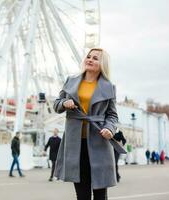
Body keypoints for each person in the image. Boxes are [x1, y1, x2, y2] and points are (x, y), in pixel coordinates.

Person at [53, 48, 118, 200]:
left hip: (99, 142)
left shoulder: (109, 87)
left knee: (101, 194)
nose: (90, 59)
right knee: (82, 194)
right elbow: (56, 104)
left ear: (102, 64)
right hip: (75, 144)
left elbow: (112, 115)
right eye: (89, 56)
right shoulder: (71, 81)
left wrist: (109, 128)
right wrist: (64, 103)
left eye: (95, 58)